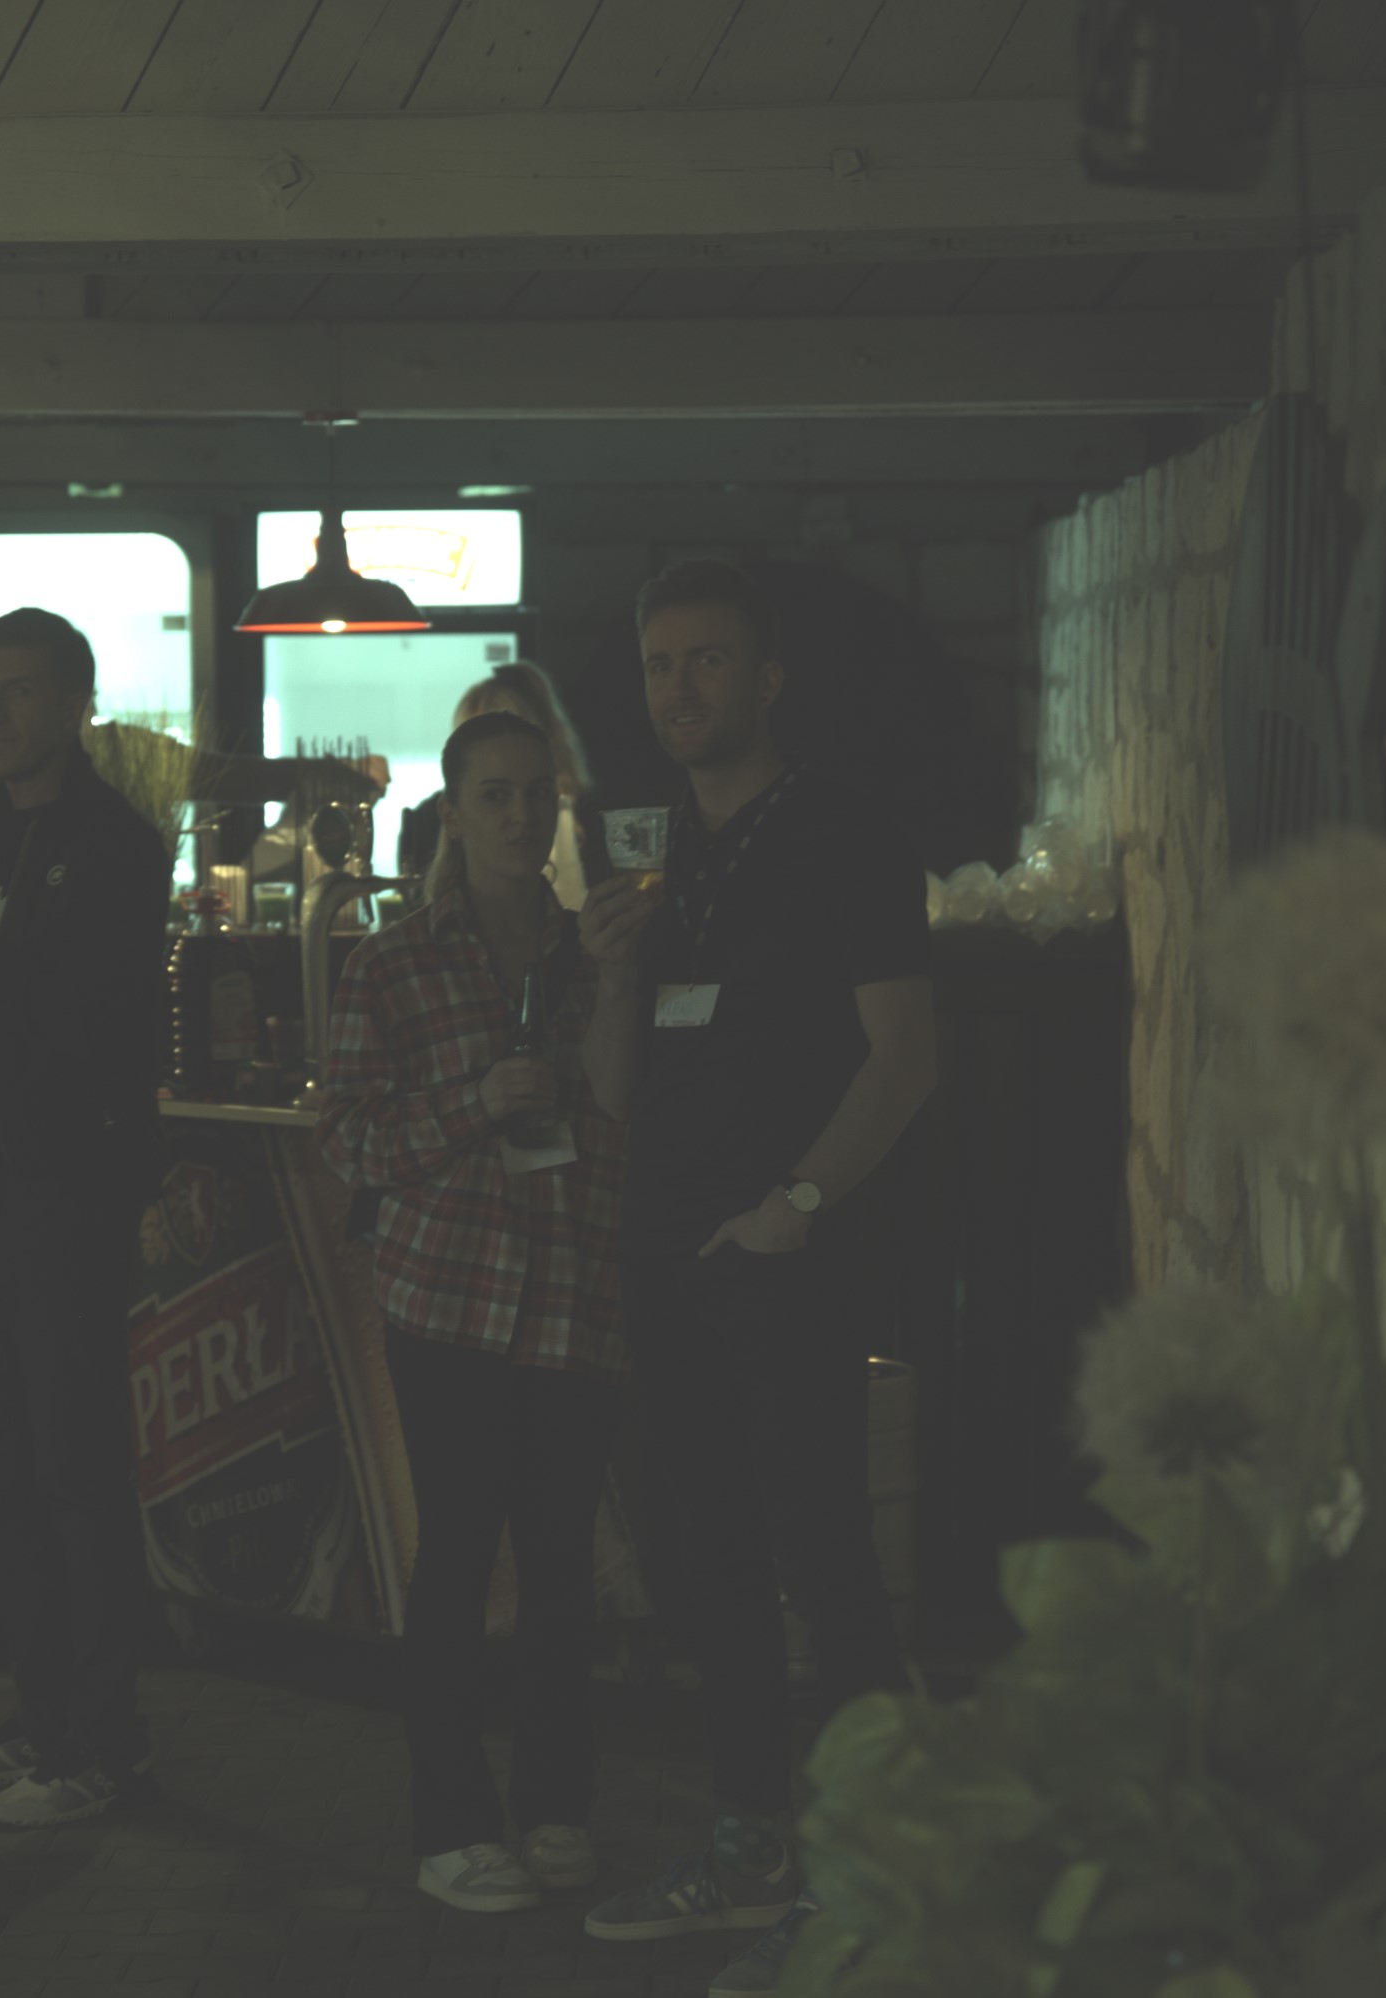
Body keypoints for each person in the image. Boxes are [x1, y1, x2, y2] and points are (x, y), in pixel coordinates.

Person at [573, 561, 940, 1998]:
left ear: (768, 677)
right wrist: (612, 972)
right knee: (702, 1559)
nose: (681, 688)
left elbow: (904, 1058)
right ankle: (750, 1849)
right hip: (667, 1252)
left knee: (823, 1560)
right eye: (661, 664)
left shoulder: (845, 831)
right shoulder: (654, 857)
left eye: (709, 660)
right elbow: (617, 1093)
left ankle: (876, 1885)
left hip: (792, 1258)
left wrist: (798, 1204)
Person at [318, 712, 634, 1915]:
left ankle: (554, 1807)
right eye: (493, 794)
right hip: (449, 1297)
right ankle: (450, 1827)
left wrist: (623, 981)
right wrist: (474, 1101)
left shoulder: (591, 951)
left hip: (572, 1294)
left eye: (537, 794)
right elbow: (351, 1143)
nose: (518, 815)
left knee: (560, 1568)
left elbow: (625, 1112)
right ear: (451, 811)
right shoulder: (392, 961)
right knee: (455, 1563)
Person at [0, 606, 169, 1829]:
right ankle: (41, 1717)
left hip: (65, 1189)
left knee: (73, 1470)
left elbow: (84, 1020)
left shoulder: (115, 843)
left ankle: (103, 1741)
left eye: (17, 690)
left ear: (75, 703)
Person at [397, 662, 603, 908]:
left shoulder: (591, 820)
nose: (523, 815)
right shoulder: (425, 824)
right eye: (495, 795)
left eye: (538, 792)